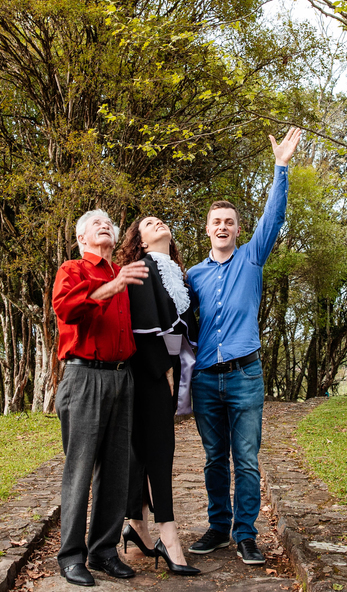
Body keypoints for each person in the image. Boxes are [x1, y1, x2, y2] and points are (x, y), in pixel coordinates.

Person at [186, 126, 302, 566]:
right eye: (216, 222)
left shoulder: (253, 257)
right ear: (207, 229)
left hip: (245, 375)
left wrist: (281, 167)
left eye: (229, 222)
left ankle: (246, 535)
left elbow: (274, 216)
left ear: (238, 229)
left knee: (247, 460)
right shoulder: (193, 275)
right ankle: (218, 528)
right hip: (205, 379)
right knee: (215, 458)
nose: (223, 227)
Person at [52, 209, 150, 586]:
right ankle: (71, 556)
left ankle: (104, 550)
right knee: (79, 470)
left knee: (116, 470)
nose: (105, 225)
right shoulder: (73, 269)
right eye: (97, 224)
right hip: (84, 376)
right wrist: (112, 286)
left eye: (108, 223)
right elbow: (67, 309)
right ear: (82, 238)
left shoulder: (122, 272)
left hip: (122, 377)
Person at [114, 216, 201, 577]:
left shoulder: (178, 275)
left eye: (160, 220)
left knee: (144, 450)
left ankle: (137, 525)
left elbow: (182, 331)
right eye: (149, 223)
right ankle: (169, 535)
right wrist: (164, 371)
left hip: (164, 369)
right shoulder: (143, 269)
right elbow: (144, 329)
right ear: (142, 242)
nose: (158, 222)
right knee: (160, 450)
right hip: (147, 372)